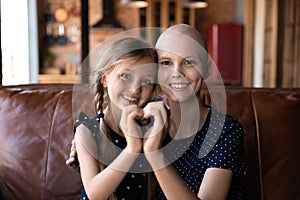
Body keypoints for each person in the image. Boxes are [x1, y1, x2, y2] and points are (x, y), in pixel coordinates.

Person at [68, 24, 246, 200]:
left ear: (206, 67)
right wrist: (89, 151)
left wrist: (154, 154)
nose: (177, 72)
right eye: (166, 63)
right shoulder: (146, 123)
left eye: (189, 62)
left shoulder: (224, 131)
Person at [72, 36, 167, 200]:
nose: (135, 89)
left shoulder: (154, 128)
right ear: (105, 79)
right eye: (126, 76)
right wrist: (132, 148)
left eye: (146, 81)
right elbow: (94, 195)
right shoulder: (87, 131)